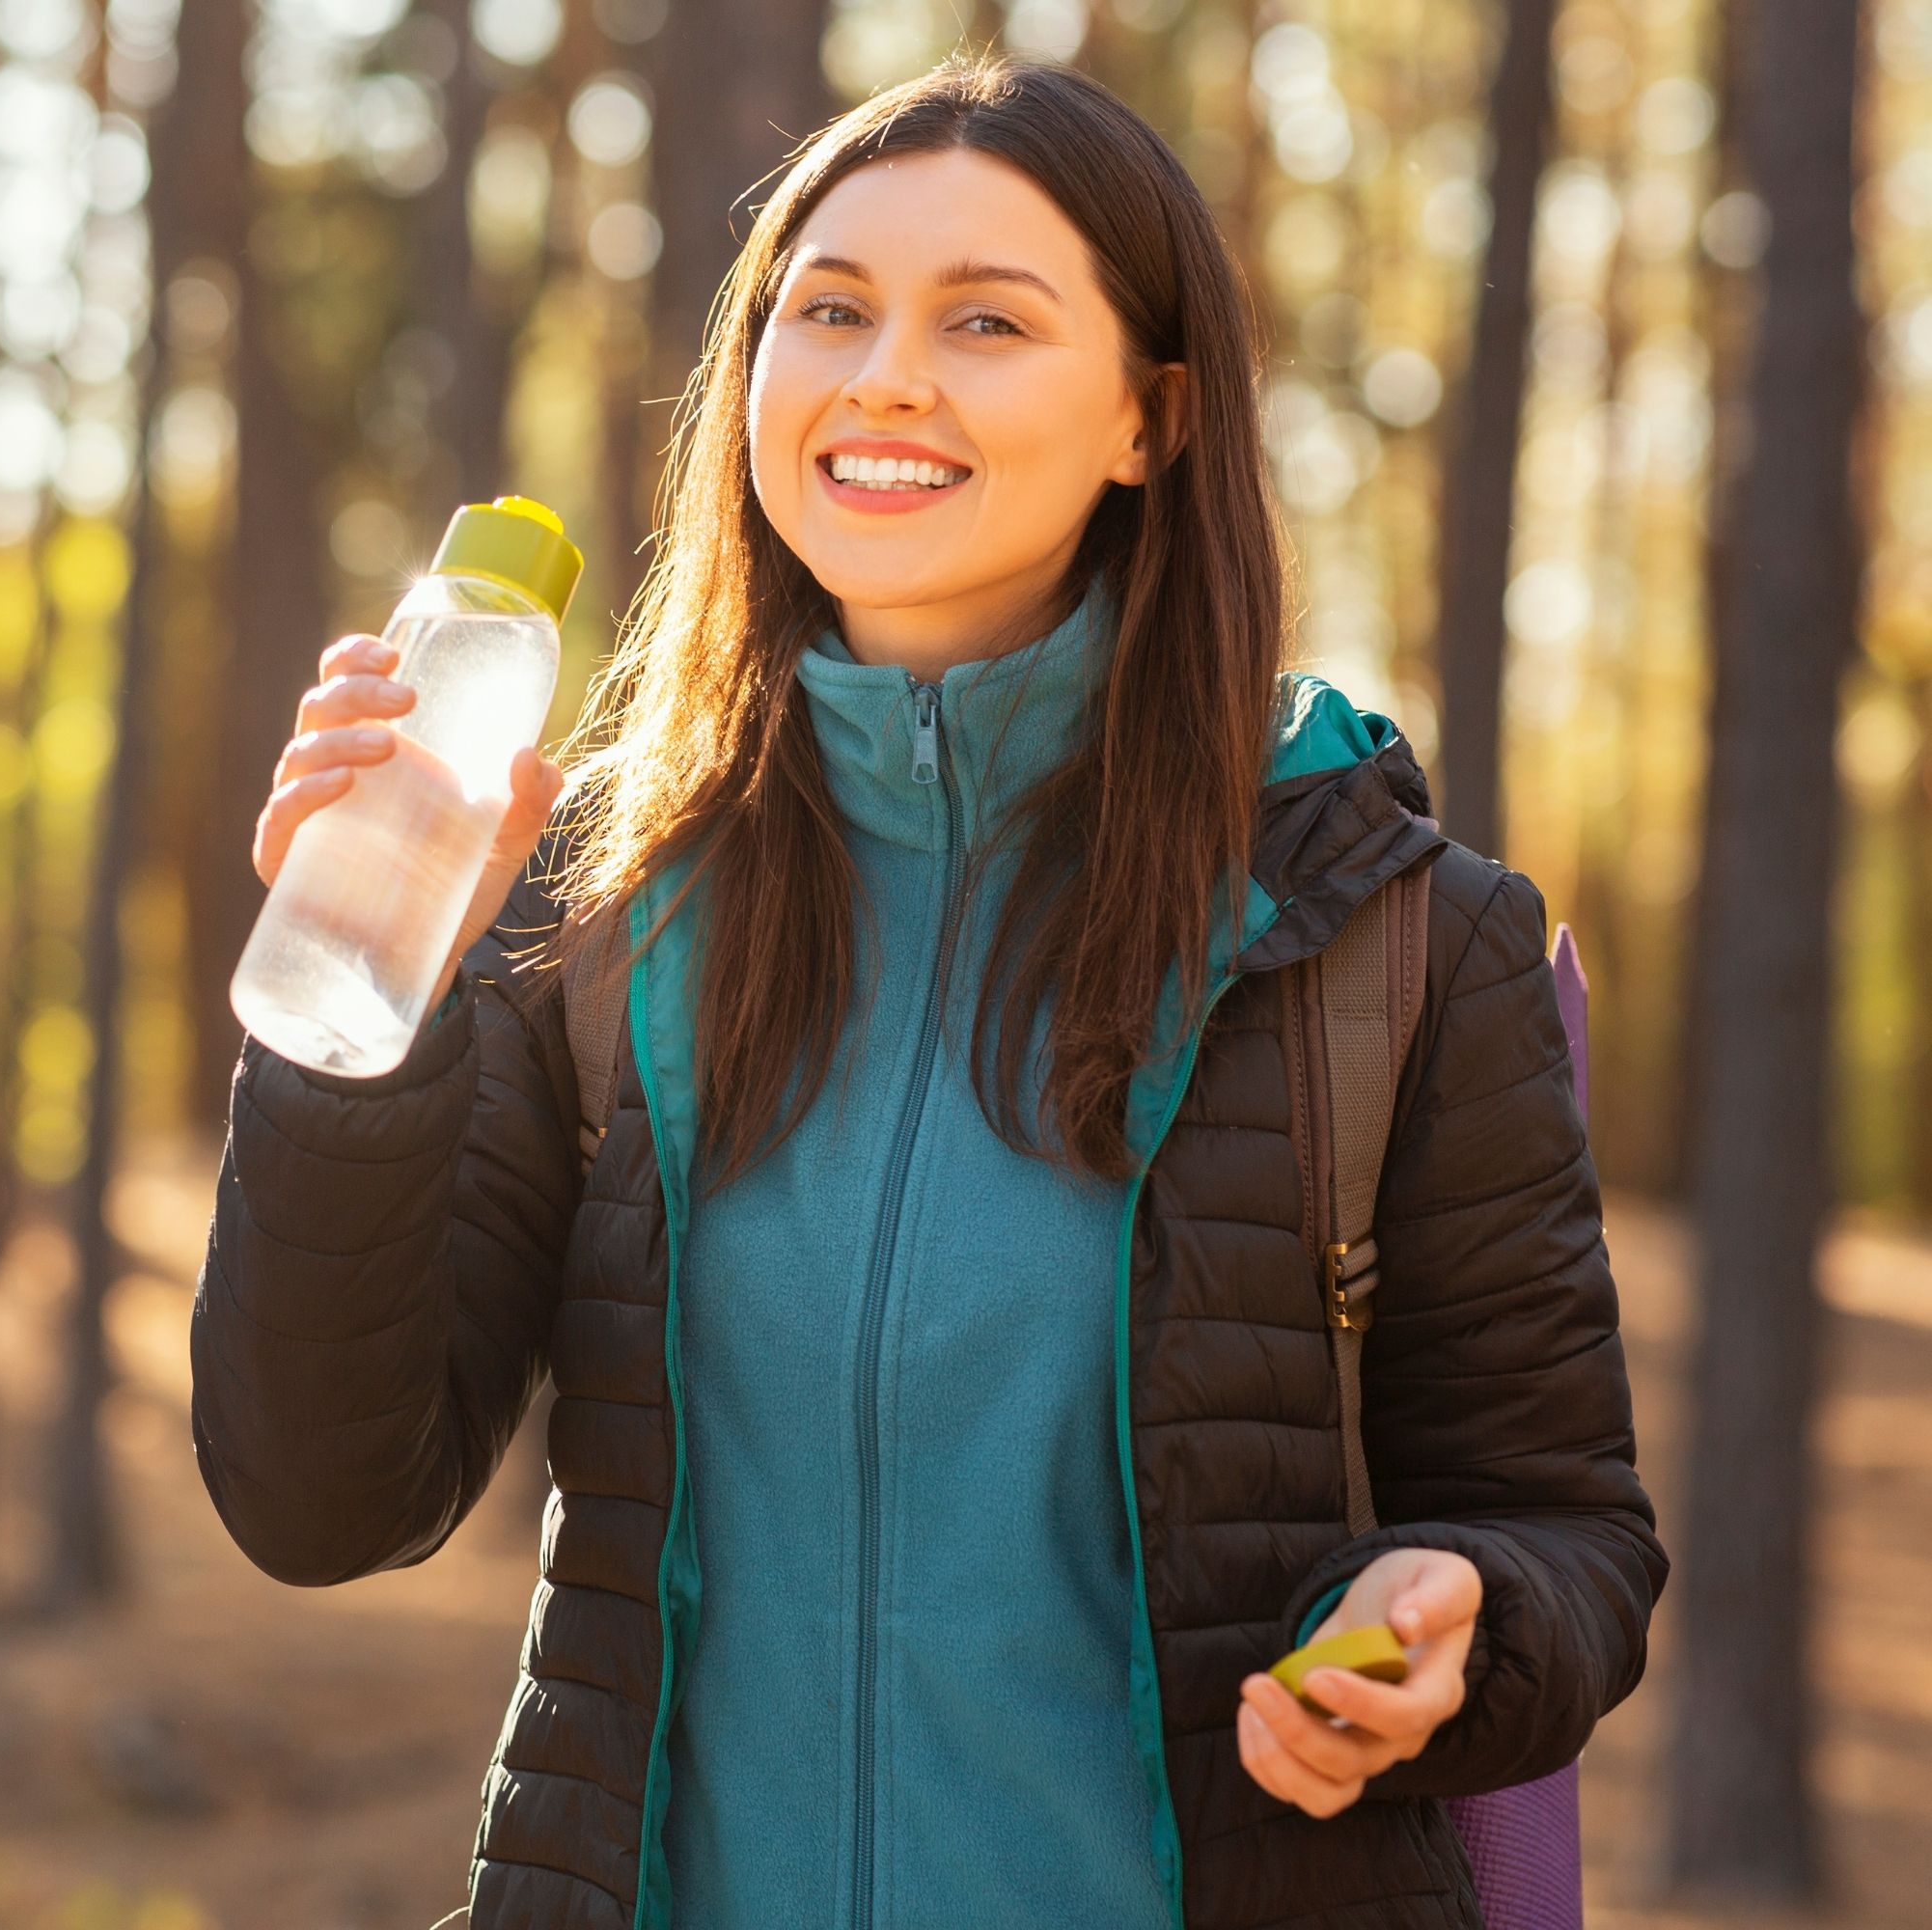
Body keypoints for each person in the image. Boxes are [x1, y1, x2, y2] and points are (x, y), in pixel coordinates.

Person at [188, 54, 1662, 1930]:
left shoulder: (1389, 937)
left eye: (987, 318)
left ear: (1153, 417)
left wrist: (1464, 1618)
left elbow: (1570, 1529)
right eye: (830, 308)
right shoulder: (596, 917)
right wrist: (356, 1018)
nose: (887, 373)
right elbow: (321, 1502)